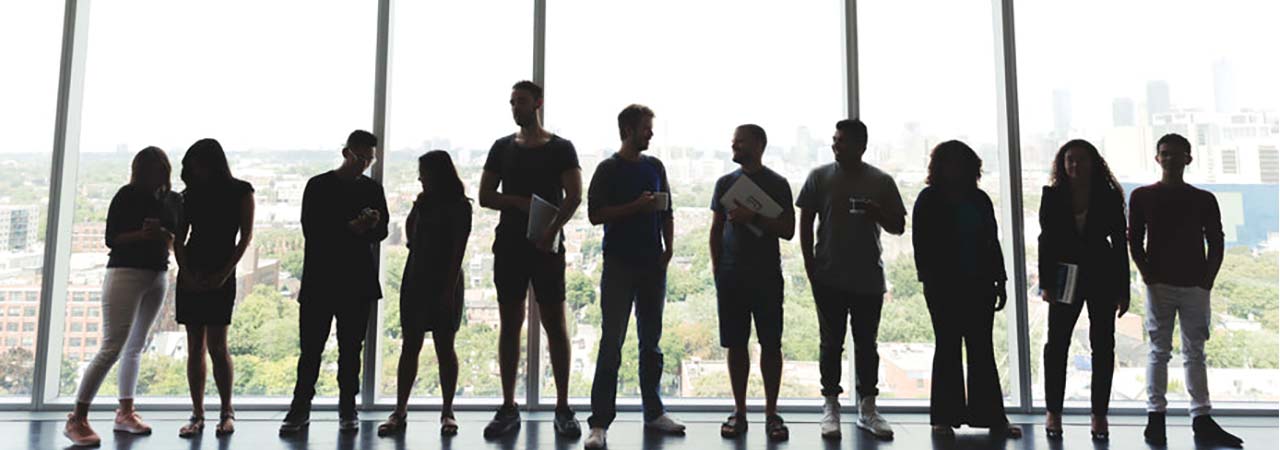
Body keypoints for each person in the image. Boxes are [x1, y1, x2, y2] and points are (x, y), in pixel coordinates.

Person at [478, 80, 583, 438]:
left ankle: (563, 407)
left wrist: (551, 229)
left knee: (555, 323)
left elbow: (574, 195)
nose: (514, 107)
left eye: (520, 101)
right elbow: (485, 196)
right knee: (510, 322)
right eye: (511, 102)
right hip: (510, 243)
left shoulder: (561, 148)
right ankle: (509, 406)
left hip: (547, 244)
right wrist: (521, 203)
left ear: (537, 103)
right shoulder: (501, 148)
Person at [64, 147, 182, 446]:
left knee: (135, 346)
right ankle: (76, 418)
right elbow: (111, 238)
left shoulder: (168, 200)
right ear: (140, 170)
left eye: (160, 168)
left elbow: (174, 242)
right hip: (125, 273)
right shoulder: (125, 196)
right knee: (112, 346)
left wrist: (162, 234)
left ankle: (125, 412)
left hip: (157, 274)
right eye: (151, 168)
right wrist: (142, 235)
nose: (157, 173)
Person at [1130, 133, 1243, 447]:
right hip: (1160, 285)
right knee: (1160, 351)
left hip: (1194, 284)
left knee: (1194, 353)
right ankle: (1157, 418)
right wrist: (1149, 276)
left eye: (1177, 154)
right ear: (1157, 158)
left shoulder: (1204, 199)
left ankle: (1200, 418)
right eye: (1165, 153)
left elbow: (1217, 241)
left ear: (1188, 159)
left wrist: (1207, 280)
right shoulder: (1141, 196)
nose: (1170, 159)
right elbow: (1134, 241)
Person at [583, 104, 686, 450]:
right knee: (611, 342)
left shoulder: (655, 166)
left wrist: (668, 249)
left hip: (652, 265)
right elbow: (595, 214)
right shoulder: (607, 169)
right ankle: (599, 423)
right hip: (619, 265)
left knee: (651, 343)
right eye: (645, 127)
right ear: (628, 129)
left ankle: (653, 412)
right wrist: (635, 208)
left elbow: (667, 209)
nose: (651, 133)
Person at [796, 119, 904, 440]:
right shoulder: (819, 177)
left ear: (861, 145)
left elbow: (898, 225)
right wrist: (810, 265)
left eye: (841, 140)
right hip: (828, 276)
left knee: (866, 344)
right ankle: (831, 406)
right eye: (834, 139)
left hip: (868, 277)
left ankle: (867, 409)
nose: (835, 145)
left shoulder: (881, 182)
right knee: (831, 343)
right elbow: (804, 221)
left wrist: (877, 213)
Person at [280, 130, 389, 435]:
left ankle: (344, 407)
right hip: (326, 280)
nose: (365, 164)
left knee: (351, 349)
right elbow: (312, 231)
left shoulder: (371, 189)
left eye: (370, 159)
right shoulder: (317, 186)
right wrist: (355, 228)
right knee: (312, 349)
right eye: (361, 158)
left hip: (347, 280)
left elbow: (382, 233)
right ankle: (302, 407)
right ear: (346, 153)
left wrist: (368, 226)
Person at [912, 140, 1021, 439]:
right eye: (949, 162)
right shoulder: (928, 199)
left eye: (960, 162)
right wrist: (930, 282)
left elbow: (992, 241)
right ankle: (944, 419)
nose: (955, 167)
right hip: (943, 287)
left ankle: (993, 418)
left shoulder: (980, 199)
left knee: (981, 349)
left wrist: (1001, 280)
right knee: (947, 348)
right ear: (940, 166)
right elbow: (921, 246)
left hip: (979, 285)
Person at [1038, 139, 1128, 441]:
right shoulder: (1052, 196)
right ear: (1062, 165)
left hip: (1102, 273)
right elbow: (1045, 240)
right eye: (1069, 160)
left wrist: (1123, 289)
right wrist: (1046, 283)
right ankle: (1054, 411)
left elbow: (1119, 244)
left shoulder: (1109, 195)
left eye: (1081, 159)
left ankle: (1099, 416)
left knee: (1103, 345)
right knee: (1056, 345)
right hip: (1064, 274)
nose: (1075, 165)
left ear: (1094, 162)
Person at [709, 124, 794, 441]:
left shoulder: (778, 183)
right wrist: (718, 269)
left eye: (740, 142)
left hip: (767, 274)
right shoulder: (724, 183)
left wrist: (754, 217)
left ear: (758, 145)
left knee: (771, 343)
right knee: (735, 343)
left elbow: (788, 229)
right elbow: (716, 230)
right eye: (733, 142)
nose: (734, 146)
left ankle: (772, 413)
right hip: (731, 274)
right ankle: (740, 410)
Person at [378, 151, 471, 437]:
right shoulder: (426, 203)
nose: (420, 177)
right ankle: (401, 410)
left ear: (436, 174)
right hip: (419, 276)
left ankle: (446, 411)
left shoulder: (460, 206)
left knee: (444, 347)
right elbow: (410, 236)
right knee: (412, 345)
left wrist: (448, 289)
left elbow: (458, 250)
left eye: (423, 172)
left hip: (442, 279)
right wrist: (417, 208)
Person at [174, 138, 255, 438]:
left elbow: (245, 238)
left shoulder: (241, 191)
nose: (194, 170)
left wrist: (224, 273)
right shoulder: (188, 196)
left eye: (197, 164)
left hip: (220, 271)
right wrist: (187, 272)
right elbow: (179, 239)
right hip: (194, 270)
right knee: (195, 346)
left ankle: (226, 411)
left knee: (217, 347)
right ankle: (197, 413)